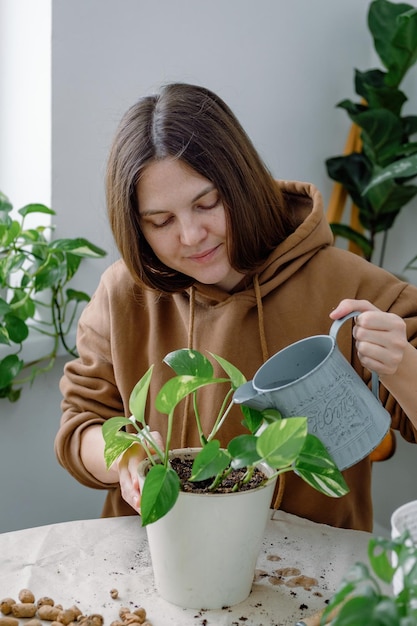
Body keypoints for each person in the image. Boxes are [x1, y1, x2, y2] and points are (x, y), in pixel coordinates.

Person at [55, 82, 417, 532]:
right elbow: (80, 426)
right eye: (161, 221)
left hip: (308, 581)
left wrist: (402, 365)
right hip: (151, 571)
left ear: (242, 183)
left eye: (206, 203)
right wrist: (125, 457)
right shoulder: (121, 296)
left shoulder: (353, 287)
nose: (190, 235)